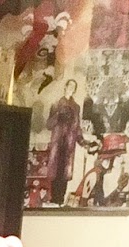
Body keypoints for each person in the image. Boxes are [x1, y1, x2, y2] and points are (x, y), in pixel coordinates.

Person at [46, 78, 83, 206]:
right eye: (70, 85)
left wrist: (83, 142)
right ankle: (54, 199)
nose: (71, 88)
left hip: (69, 144)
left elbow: (77, 127)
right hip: (57, 142)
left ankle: (60, 200)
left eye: (74, 87)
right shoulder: (56, 104)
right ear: (65, 87)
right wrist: (58, 115)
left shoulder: (76, 107)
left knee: (65, 172)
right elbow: (49, 124)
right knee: (55, 171)